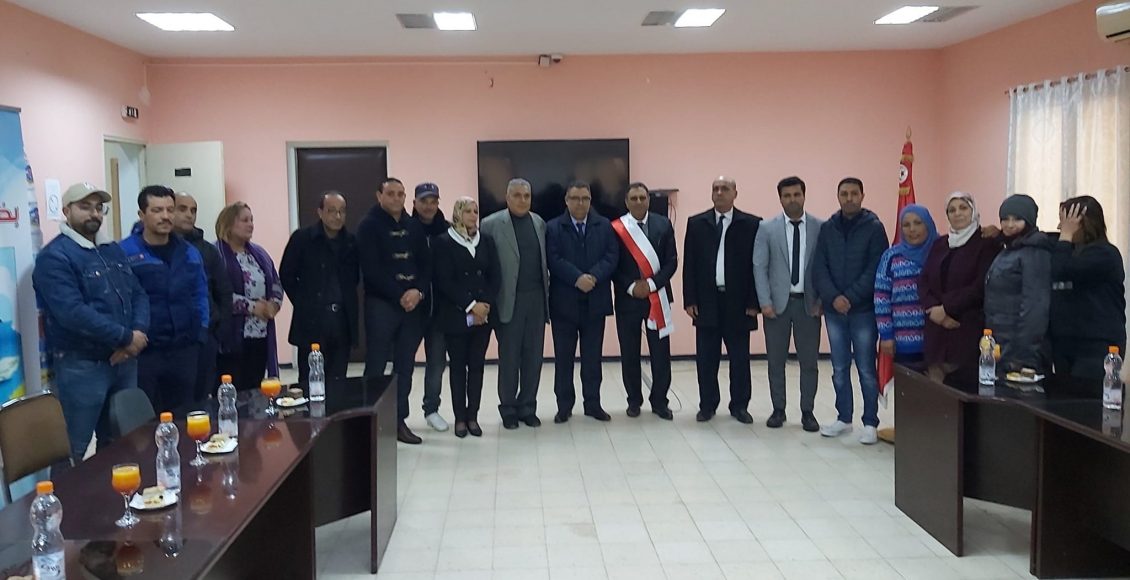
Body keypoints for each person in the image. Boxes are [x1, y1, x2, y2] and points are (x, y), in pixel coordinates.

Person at [33, 183, 149, 461]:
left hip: (124, 361)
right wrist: (126, 338)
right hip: (82, 366)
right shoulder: (55, 257)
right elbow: (72, 313)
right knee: (72, 449)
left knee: (123, 444)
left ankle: (112, 491)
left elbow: (138, 294)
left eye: (98, 208)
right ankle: (62, 492)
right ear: (66, 211)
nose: (94, 214)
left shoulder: (111, 250)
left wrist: (138, 333)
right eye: (85, 207)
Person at [812, 177, 888, 445]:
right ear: (838, 197)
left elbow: (877, 267)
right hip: (835, 311)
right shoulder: (828, 227)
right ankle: (844, 418)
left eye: (854, 193)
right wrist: (833, 297)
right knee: (839, 367)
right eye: (844, 194)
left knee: (866, 368)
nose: (849, 198)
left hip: (863, 311)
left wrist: (851, 297)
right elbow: (819, 266)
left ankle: (870, 422)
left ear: (862, 196)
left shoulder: (874, 227)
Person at [119, 186, 209, 412]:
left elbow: (200, 292)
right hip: (144, 352)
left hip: (184, 349)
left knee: (184, 415)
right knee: (144, 419)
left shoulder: (189, 252)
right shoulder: (124, 252)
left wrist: (201, 332)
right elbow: (119, 300)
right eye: (157, 210)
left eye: (170, 210)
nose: (166, 216)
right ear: (142, 215)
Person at [682, 176, 761, 423]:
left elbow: (757, 266)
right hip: (707, 301)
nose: (719, 192)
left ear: (735, 193)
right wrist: (689, 299)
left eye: (724, 189)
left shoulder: (752, 224)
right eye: (715, 188)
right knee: (706, 359)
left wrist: (754, 302)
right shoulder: (697, 223)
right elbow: (689, 264)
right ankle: (707, 405)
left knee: (739, 359)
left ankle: (739, 406)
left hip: (739, 303)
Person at [358, 177, 431, 444]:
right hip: (382, 305)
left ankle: (399, 421)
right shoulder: (368, 226)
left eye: (401, 194)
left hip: (412, 306)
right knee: (376, 365)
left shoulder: (413, 225)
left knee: (405, 366)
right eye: (391, 193)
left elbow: (426, 265)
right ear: (379, 196)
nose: (396, 198)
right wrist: (400, 294)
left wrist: (418, 291)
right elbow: (371, 269)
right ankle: (369, 422)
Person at [753, 176, 823, 432]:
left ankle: (808, 411)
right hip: (776, 307)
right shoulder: (766, 228)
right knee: (775, 361)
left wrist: (821, 301)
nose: (792, 200)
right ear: (780, 198)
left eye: (796, 194)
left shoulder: (819, 227)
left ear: (804, 195)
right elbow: (759, 267)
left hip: (809, 305)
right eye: (787, 196)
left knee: (809, 362)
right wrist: (764, 302)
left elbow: (824, 267)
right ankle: (778, 409)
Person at [546, 181, 619, 423]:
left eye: (585, 198)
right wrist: (577, 278)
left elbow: (611, 256)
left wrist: (594, 277)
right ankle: (564, 406)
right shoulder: (553, 227)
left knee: (592, 359)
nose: (580, 203)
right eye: (575, 198)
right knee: (563, 359)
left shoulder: (605, 225)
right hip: (564, 304)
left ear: (590, 201)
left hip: (595, 301)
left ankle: (593, 404)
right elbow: (553, 259)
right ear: (566, 201)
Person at [480, 178, 549, 429]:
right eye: (517, 195)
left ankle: (528, 406)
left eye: (526, 196)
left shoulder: (539, 222)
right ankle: (508, 408)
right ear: (507, 197)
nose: (522, 200)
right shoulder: (490, 224)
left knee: (534, 357)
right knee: (509, 358)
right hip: (508, 300)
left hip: (536, 299)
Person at [432, 197, 500, 438]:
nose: (473, 215)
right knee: (458, 367)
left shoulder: (486, 241)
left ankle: (473, 416)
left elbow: (495, 277)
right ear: (457, 213)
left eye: (475, 211)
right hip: (456, 315)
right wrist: (471, 305)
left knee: (477, 367)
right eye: (468, 211)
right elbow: (444, 280)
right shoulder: (443, 242)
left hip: (483, 317)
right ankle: (460, 418)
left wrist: (485, 305)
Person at [611, 182, 677, 420]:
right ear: (626, 202)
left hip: (657, 297)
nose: (638, 202)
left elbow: (671, 261)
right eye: (634, 198)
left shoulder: (663, 224)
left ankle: (660, 401)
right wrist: (631, 287)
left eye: (642, 198)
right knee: (629, 352)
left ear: (648, 200)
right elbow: (612, 264)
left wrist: (650, 285)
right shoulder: (616, 228)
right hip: (627, 299)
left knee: (661, 353)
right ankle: (634, 401)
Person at [919, 192, 1001, 382]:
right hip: (937, 329)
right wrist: (934, 310)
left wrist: (947, 308)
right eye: (952, 210)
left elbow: (981, 286)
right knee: (935, 389)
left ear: (974, 211)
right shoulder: (940, 243)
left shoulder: (986, 243)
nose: (957, 213)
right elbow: (924, 280)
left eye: (963, 208)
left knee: (961, 389)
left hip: (966, 327)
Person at [279, 191, 359, 383]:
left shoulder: (351, 242)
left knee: (338, 379)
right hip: (312, 320)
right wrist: (303, 302)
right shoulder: (302, 238)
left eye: (342, 211)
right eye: (332, 211)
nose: (337, 216)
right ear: (320, 212)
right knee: (310, 380)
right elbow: (287, 274)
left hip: (341, 320)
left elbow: (354, 278)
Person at [1048, 195, 1126, 379]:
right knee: (1064, 395)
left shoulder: (1105, 254)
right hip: (1065, 343)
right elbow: (1035, 238)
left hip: (1096, 344)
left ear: (1083, 224)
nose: (1060, 228)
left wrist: (1066, 236)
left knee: (1087, 395)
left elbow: (1061, 270)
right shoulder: (1067, 250)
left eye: (1066, 223)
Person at [215, 202, 283, 392]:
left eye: (252, 220)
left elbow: (276, 283)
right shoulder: (216, 254)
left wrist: (274, 305)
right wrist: (252, 307)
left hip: (260, 336)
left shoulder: (259, 254)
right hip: (230, 339)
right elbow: (216, 294)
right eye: (244, 220)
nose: (251, 224)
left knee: (254, 390)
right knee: (232, 391)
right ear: (228, 224)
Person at [172, 192, 232, 401]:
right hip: (167, 342)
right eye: (182, 209)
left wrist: (218, 332)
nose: (189, 215)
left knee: (200, 400)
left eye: (193, 210)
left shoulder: (207, 251)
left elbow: (224, 292)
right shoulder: (157, 248)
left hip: (205, 338)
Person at [983, 194, 1052, 374]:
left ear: (1029, 221)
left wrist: (1024, 355)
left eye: (1017, 219)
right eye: (1005, 219)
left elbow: (1035, 306)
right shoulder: (1009, 249)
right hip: (1001, 343)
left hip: (1020, 350)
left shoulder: (1034, 252)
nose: (1010, 224)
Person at [875, 205, 939, 366]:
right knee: (908, 381)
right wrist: (886, 335)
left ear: (928, 224)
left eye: (918, 223)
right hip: (903, 343)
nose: (912, 229)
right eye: (906, 225)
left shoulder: (941, 251)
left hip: (939, 339)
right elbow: (881, 298)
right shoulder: (891, 256)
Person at [410, 182, 451, 433]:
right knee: (403, 365)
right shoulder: (405, 229)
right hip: (411, 311)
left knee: (436, 364)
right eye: (423, 201)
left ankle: (431, 410)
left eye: (433, 201)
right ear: (414, 203)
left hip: (440, 311)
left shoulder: (447, 231)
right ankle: (397, 414)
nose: (428, 206)